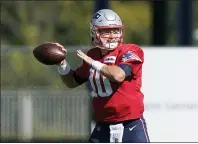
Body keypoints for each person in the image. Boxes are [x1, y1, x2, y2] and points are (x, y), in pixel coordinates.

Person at [55, 9, 150, 143]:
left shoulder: (130, 50)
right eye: (106, 31)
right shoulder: (93, 54)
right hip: (103, 126)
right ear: (95, 32)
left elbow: (118, 75)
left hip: (130, 125)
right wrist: (61, 64)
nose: (112, 35)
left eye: (115, 30)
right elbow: (72, 82)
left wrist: (94, 63)